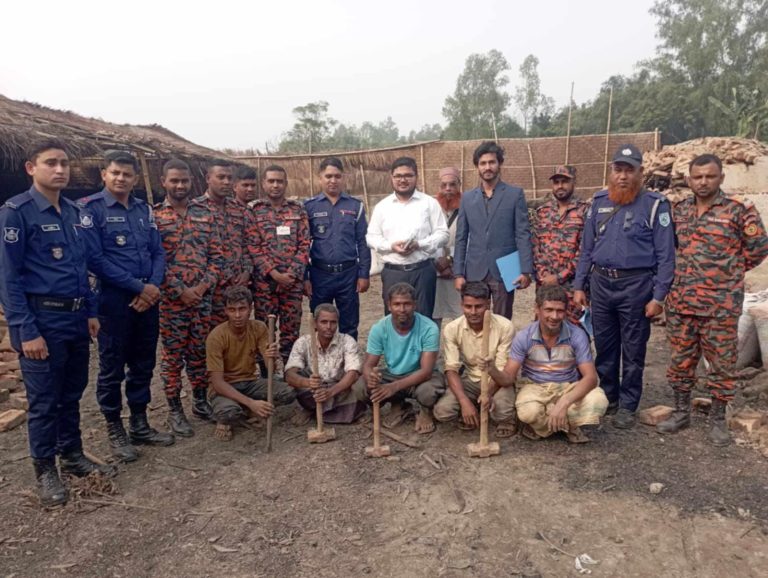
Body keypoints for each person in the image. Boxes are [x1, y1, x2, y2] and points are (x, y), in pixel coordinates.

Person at [0, 139, 113, 508]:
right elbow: (8, 277)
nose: (60, 170)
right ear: (31, 168)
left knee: (71, 392)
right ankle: (45, 469)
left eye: (64, 163)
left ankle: (72, 454)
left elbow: (82, 267)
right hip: (41, 320)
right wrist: (26, 329)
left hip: (76, 318)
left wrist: (91, 311)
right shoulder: (16, 213)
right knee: (44, 400)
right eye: (51, 163)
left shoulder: (73, 212)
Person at [658, 154, 768, 445]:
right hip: (682, 302)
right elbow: (671, 249)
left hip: (720, 305)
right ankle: (681, 412)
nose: (703, 181)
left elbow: (758, 248)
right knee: (681, 360)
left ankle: (718, 418)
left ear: (721, 177)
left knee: (721, 363)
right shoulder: (679, 211)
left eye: (709, 176)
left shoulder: (739, 210)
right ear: (689, 179)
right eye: (697, 176)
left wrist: (728, 269)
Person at [78, 151, 174, 462]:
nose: (121, 179)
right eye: (115, 173)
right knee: (112, 367)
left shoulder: (143, 210)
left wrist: (153, 288)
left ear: (135, 178)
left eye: (127, 174)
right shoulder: (91, 210)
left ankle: (140, 422)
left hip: (147, 300)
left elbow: (158, 252)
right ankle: (114, 426)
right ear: (103, 174)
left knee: (143, 362)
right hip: (114, 301)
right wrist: (139, 287)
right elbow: (95, 260)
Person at [573, 144, 675, 429]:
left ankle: (629, 404)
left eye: (629, 170)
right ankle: (609, 396)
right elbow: (586, 249)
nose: (623, 176)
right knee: (605, 345)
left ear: (640, 173)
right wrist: (579, 284)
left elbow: (667, 257)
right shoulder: (599, 202)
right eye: (618, 169)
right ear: (611, 172)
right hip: (601, 284)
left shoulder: (655, 205)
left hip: (636, 285)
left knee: (633, 348)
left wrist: (659, 297)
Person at [155, 158, 224, 436]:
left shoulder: (205, 214)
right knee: (173, 357)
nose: (180, 185)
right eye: (174, 181)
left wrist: (202, 288)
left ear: (191, 182)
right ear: (164, 182)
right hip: (172, 302)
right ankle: (174, 410)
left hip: (202, 299)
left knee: (198, 352)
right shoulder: (156, 217)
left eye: (184, 181)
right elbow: (155, 262)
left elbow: (217, 257)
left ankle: (198, 401)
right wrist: (181, 291)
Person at [490, 286, 607, 443]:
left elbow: (591, 378)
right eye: (549, 310)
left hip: (567, 386)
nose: (554, 316)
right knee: (528, 412)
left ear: (566, 312)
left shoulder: (577, 335)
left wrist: (564, 403)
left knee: (598, 401)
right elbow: (508, 379)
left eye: (560, 311)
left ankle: (542, 427)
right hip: (534, 387)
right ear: (537, 309)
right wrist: (491, 369)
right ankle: (568, 426)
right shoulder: (524, 337)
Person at [454, 141, 533, 319]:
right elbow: (461, 238)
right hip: (474, 270)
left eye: (492, 162)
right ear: (477, 167)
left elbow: (522, 233)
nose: (487, 167)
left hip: (505, 270)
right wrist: (458, 273)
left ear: (499, 164)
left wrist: (526, 269)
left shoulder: (514, 194)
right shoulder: (467, 198)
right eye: (483, 163)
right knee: (475, 319)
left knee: (502, 321)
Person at [206, 286, 296, 441]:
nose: (238, 315)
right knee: (228, 413)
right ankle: (243, 411)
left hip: (249, 383)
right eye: (232, 310)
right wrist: (251, 403)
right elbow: (217, 383)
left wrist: (272, 357)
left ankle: (247, 409)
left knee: (288, 393)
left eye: (242, 309)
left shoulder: (259, 327)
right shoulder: (216, 337)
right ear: (226, 311)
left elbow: (271, 369)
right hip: (225, 388)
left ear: (251, 308)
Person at [366, 157, 448, 318]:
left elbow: (443, 234)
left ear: (416, 177)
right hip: (393, 272)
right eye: (398, 176)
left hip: (423, 271)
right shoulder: (382, 207)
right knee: (395, 319)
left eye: (408, 175)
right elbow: (371, 237)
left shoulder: (429, 203)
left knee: (423, 319)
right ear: (391, 177)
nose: (403, 180)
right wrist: (391, 246)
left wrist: (420, 244)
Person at [433, 282, 517, 436]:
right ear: (461, 305)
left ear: (488, 304)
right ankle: (471, 407)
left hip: (497, 379)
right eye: (468, 307)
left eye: (479, 306)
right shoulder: (452, 329)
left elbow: (504, 371)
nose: (473, 312)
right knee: (442, 412)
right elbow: (451, 369)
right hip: (470, 380)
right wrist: (464, 401)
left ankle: (506, 419)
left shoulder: (505, 326)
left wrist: (488, 393)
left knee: (502, 412)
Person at [362, 282, 445, 434]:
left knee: (428, 392)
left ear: (415, 305)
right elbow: (368, 365)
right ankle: (399, 405)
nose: (402, 309)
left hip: (420, 377)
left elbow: (426, 371)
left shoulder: (429, 328)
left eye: (407, 304)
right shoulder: (379, 328)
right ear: (389, 305)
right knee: (361, 387)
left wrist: (393, 387)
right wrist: (371, 377)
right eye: (397, 304)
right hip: (393, 374)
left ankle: (425, 411)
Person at [248, 165, 310, 364]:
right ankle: (268, 374)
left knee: (290, 330)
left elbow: (304, 244)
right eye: (271, 181)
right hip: (265, 284)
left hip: (292, 284)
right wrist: (274, 274)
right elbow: (253, 246)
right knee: (264, 330)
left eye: (280, 181)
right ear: (264, 184)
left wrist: (291, 274)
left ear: (286, 183)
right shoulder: (254, 210)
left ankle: (289, 372)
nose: (276, 185)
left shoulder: (297, 209)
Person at [304, 157, 371, 340]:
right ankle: (321, 365)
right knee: (320, 322)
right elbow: (302, 245)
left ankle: (349, 365)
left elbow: (363, 242)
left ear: (343, 178)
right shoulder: (309, 207)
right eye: (328, 176)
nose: (333, 180)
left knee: (349, 324)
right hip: (320, 275)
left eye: (337, 176)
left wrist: (364, 274)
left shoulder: (355, 206)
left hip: (348, 274)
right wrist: (305, 277)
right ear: (320, 178)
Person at [285, 303, 368, 425]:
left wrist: (331, 392)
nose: (329, 327)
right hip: (314, 391)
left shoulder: (347, 341)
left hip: (340, 390)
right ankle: (313, 409)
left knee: (359, 387)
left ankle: (316, 412)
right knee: (297, 383)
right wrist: (308, 383)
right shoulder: (303, 342)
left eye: (333, 322)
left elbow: (353, 373)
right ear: (315, 323)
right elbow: (289, 374)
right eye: (323, 322)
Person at [196, 160, 253, 327]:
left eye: (229, 178)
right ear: (208, 178)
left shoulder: (239, 210)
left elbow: (247, 244)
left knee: (237, 335)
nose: (226, 182)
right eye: (221, 177)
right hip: (210, 288)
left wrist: (247, 272)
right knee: (211, 336)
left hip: (238, 285)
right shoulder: (195, 209)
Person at [532, 165, 589, 324]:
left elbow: (585, 251)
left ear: (573, 182)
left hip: (572, 287)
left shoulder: (584, 211)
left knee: (574, 331)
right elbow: (536, 246)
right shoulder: (543, 211)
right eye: (556, 182)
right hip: (545, 285)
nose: (560, 186)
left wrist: (559, 277)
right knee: (544, 329)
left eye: (564, 181)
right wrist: (543, 275)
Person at [431, 167, 464, 329]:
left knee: (460, 317)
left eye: (452, 185)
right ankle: (433, 353)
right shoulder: (430, 209)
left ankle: (460, 353)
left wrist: (450, 260)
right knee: (433, 315)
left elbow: (472, 239)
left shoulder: (468, 208)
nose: (448, 189)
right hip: (434, 270)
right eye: (444, 185)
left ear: (459, 185)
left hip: (458, 271)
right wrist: (437, 262)